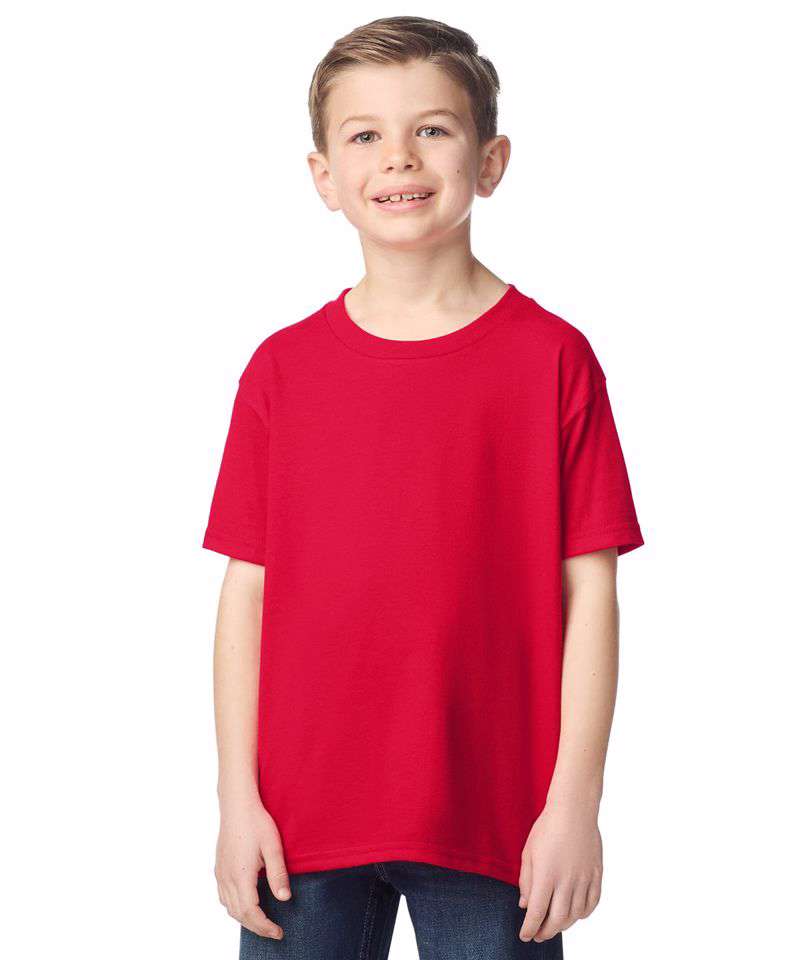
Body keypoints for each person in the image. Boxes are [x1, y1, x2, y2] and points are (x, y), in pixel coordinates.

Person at [202, 15, 644, 959]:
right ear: (324, 176)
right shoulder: (281, 370)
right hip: (299, 824)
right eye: (365, 134)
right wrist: (237, 800)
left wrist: (575, 803)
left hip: (495, 818)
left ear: (491, 161)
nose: (398, 156)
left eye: (431, 128)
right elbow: (247, 593)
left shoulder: (553, 360)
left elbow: (591, 594)